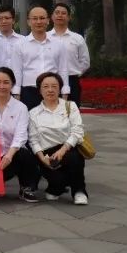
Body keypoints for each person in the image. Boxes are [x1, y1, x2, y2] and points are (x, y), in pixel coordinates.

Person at [0, 67, 39, 202]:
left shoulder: (21, 107)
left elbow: (21, 135)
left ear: (12, 84)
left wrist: (9, 156)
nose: (1, 86)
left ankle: (26, 188)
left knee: (24, 153)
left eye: (6, 82)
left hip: (11, 157)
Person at [29, 71, 89, 205]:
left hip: (67, 149)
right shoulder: (33, 113)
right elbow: (33, 140)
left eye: (54, 86)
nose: (50, 90)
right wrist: (41, 157)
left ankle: (79, 191)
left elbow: (77, 131)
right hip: (46, 153)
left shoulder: (70, 106)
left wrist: (62, 151)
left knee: (75, 158)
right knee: (57, 182)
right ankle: (55, 188)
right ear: (39, 90)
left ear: (60, 88)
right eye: (45, 86)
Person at [11, 6, 70, 109]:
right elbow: (17, 70)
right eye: (35, 18)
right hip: (29, 92)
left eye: (42, 18)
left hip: (52, 91)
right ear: (29, 22)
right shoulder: (20, 44)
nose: (39, 22)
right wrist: (16, 93)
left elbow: (63, 69)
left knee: (52, 123)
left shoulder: (59, 44)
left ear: (48, 20)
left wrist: (64, 91)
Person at [51, 3, 90, 104]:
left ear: (69, 17)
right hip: (50, 81)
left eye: (63, 13)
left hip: (72, 81)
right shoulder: (45, 38)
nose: (60, 15)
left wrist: (75, 72)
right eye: (57, 13)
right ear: (52, 16)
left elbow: (85, 61)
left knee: (71, 115)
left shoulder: (77, 38)